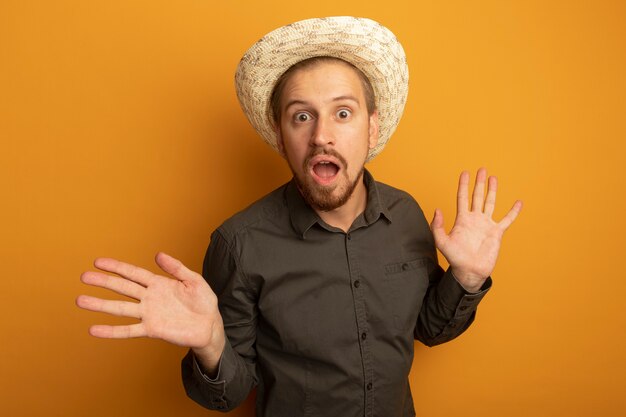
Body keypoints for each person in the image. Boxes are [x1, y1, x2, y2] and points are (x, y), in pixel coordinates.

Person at [77, 16, 522, 417]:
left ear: (372, 126)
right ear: (280, 135)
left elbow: (426, 329)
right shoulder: (239, 243)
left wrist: (465, 279)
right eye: (301, 116)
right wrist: (211, 346)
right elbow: (228, 394)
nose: (321, 136)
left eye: (342, 113)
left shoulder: (406, 215)